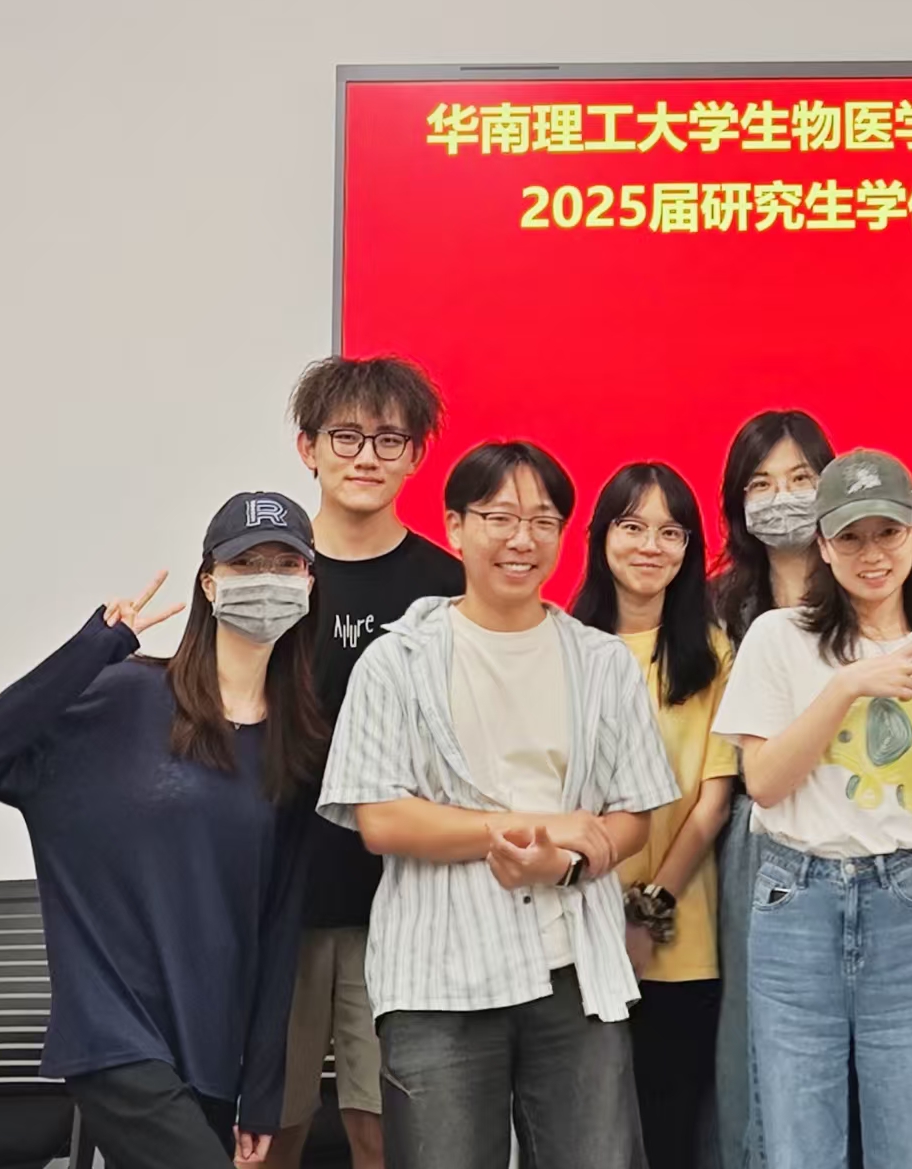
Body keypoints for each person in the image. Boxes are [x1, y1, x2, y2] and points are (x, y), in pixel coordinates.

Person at [316, 441, 681, 1169]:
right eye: (500, 518)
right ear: (455, 526)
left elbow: (633, 816)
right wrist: (533, 828)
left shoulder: (602, 663)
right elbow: (381, 819)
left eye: (543, 521)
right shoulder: (396, 662)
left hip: (574, 970)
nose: (522, 539)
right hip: (437, 976)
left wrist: (566, 863)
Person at [0, 492, 326, 1169]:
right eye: (245, 564)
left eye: (285, 563)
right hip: (113, 1034)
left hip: (211, 1049)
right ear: (209, 582)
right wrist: (97, 645)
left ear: (308, 582)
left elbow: (276, 930)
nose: (266, 579)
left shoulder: (295, 747)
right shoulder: (124, 696)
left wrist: (263, 1090)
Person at [713, 448, 912, 1169]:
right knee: (797, 1143)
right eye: (851, 537)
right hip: (795, 898)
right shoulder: (778, 638)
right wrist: (846, 687)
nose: (871, 554)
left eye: (887, 532)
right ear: (822, 545)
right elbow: (764, 781)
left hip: (911, 902)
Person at [270, 355, 464, 1169]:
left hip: (403, 903)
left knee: (384, 1133)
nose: (366, 456)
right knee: (267, 1130)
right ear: (308, 447)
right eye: (345, 436)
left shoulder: (448, 586)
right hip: (275, 894)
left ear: (415, 455)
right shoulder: (265, 571)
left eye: (389, 439)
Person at [571, 462, 736, 1169]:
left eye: (671, 532)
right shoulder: (562, 645)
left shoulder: (714, 656)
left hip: (679, 941)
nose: (650, 545)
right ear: (601, 537)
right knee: (582, 1138)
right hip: (572, 936)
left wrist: (647, 912)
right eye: (632, 526)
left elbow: (712, 802)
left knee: (669, 1136)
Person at [709, 409, 836, 1169]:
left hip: (859, 834)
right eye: (760, 483)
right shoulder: (716, 607)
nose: (781, 497)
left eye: (800, 478)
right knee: (756, 1038)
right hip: (754, 842)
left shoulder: (866, 590)